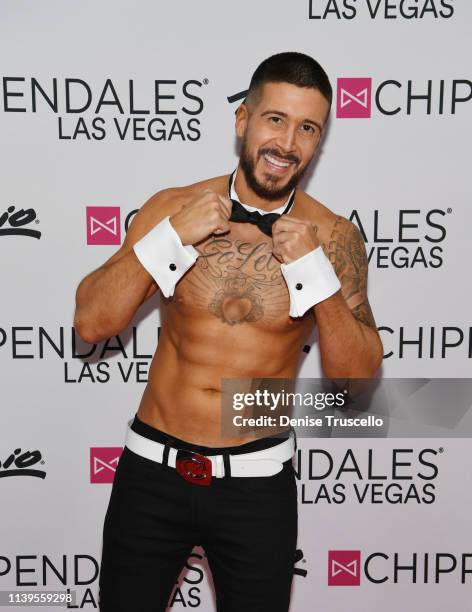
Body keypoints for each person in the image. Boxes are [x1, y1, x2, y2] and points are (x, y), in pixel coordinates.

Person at [74, 51, 383, 612]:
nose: (288, 143)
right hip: (151, 472)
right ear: (242, 120)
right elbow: (92, 322)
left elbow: (357, 384)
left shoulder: (334, 236)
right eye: (275, 119)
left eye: (307, 128)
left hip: (257, 483)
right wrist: (170, 239)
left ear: (320, 140)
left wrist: (319, 279)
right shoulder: (172, 206)